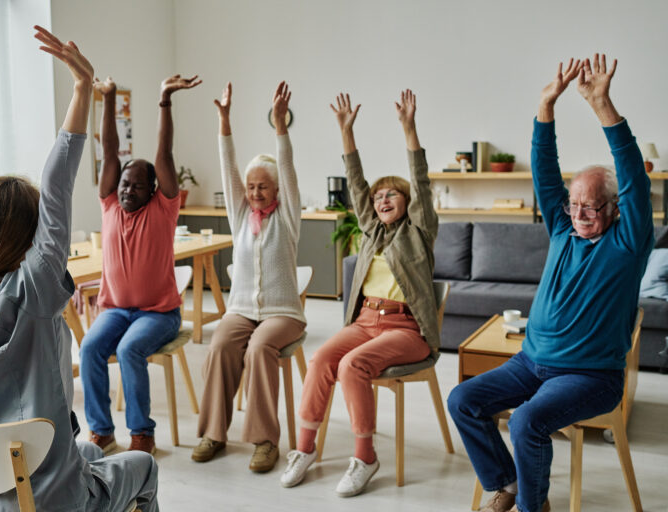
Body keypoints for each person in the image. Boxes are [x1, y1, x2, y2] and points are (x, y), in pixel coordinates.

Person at [0, 26, 159, 511]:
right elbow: (56, 189)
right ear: (32, 242)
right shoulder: (31, 295)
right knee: (144, 468)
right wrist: (82, 90)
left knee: (83, 449)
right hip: (50, 498)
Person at [447, 55, 653, 512]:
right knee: (462, 399)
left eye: (591, 207)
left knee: (526, 422)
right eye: (573, 204)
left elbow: (634, 174)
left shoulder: (626, 242)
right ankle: (508, 483)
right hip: (531, 362)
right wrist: (546, 107)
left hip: (590, 375)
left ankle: (532, 508)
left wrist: (603, 106)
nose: (578, 214)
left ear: (615, 209)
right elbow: (544, 171)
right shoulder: (562, 228)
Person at [280, 90, 440, 497]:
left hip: (406, 329)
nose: (382, 199)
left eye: (392, 194)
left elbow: (420, 181)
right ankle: (303, 449)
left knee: (352, 366)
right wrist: (345, 133)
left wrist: (409, 128)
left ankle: (365, 457)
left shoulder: (419, 232)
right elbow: (356, 184)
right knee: (320, 360)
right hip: (366, 321)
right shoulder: (371, 232)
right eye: (378, 196)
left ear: (408, 203)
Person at [79, 72, 201, 456]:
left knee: (131, 350)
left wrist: (164, 99)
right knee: (89, 349)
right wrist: (109, 98)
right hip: (116, 309)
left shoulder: (164, 209)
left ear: (153, 189)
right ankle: (101, 431)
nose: (127, 189)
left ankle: (141, 433)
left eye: (136, 185)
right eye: (124, 184)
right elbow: (110, 151)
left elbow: (164, 154)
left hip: (159, 314)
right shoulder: (110, 204)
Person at [191, 81, 306, 473]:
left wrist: (280, 127)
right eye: (251, 187)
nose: (255, 192)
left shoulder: (288, 218)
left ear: (277, 190)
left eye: (263, 187)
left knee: (259, 349)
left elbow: (287, 167)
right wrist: (224, 121)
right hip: (242, 310)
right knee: (221, 343)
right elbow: (228, 169)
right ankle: (213, 433)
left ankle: (264, 440)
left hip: (283, 313)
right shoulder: (241, 218)